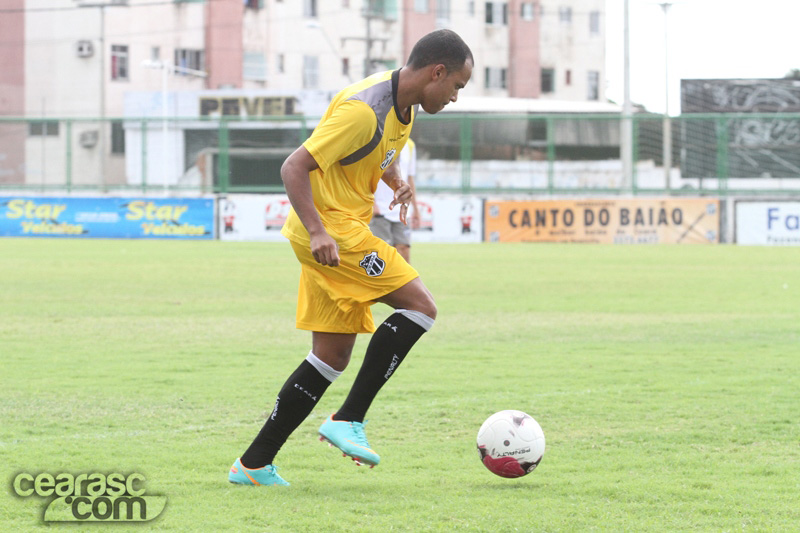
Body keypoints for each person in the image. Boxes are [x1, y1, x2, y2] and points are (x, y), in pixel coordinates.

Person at [228, 29, 473, 486]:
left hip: (336, 230)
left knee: (331, 356)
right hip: (332, 232)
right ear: (437, 73)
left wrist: (395, 180)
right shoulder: (363, 111)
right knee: (420, 307)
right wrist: (318, 231)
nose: (456, 97)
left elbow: (375, 153)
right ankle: (349, 418)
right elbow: (293, 166)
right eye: (457, 86)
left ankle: (253, 464)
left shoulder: (403, 106)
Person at [370, 138, 420, 262]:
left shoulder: (410, 145)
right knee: (383, 255)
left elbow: (410, 178)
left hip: (401, 210)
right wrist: (373, 203)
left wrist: (415, 208)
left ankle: (404, 276)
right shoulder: (378, 138)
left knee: (404, 249)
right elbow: (367, 173)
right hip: (380, 209)